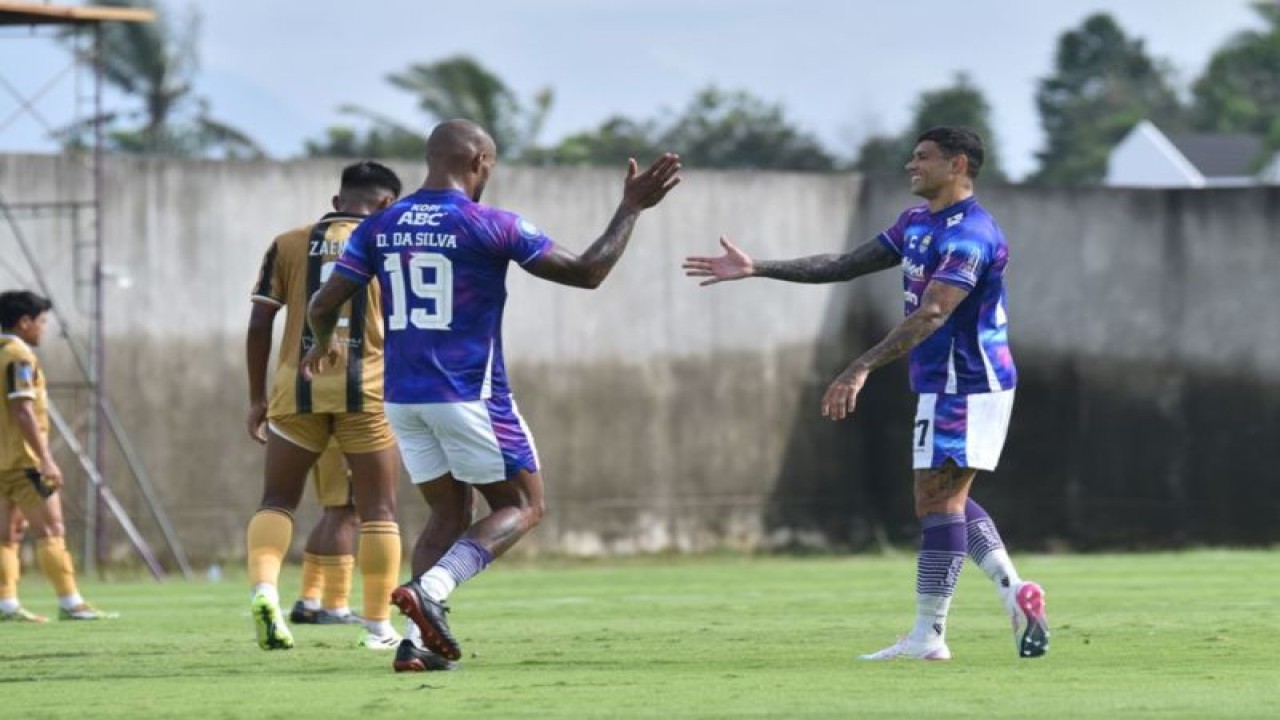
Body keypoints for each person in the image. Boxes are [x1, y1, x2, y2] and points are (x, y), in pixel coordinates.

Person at [302, 119, 681, 670]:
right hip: (468, 394)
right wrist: (631, 207)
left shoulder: (381, 225)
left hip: (403, 399)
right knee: (524, 505)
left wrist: (318, 344)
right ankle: (431, 588)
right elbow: (588, 271)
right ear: (479, 162)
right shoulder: (488, 223)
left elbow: (322, 303)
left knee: (447, 513)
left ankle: (415, 644)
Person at [682, 126, 1048, 661]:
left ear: (959, 164)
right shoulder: (916, 223)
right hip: (941, 383)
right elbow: (842, 264)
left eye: (923, 157)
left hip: (967, 382)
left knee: (938, 502)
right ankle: (1012, 591)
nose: (910, 165)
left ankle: (929, 635)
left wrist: (859, 368)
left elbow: (934, 312)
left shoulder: (972, 234)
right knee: (944, 498)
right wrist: (758, 267)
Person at [245, 161, 405, 651]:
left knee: (278, 501)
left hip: (296, 391)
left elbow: (259, 325)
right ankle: (378, 627)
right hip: (369, 392)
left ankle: (265, 590)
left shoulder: (289, 242)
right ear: (387, 205)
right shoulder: (394, 244)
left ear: (337, 203)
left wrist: (256, 398)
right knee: (378, 510)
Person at [0, 290, 116, 622]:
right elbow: (22, 410)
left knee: (6, 535)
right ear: (24, 323)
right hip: (24, 463)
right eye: (41, 322)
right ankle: (71, 602)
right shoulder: (18, 358)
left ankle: (5, 605)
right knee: (52, 530)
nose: (43, 329)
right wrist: (46, 458)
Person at [287, 441, 361, 626]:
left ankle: (308, 601)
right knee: (344, 514)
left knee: (333, 513)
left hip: (326, 438)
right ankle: (335, 606)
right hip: (345, 435)